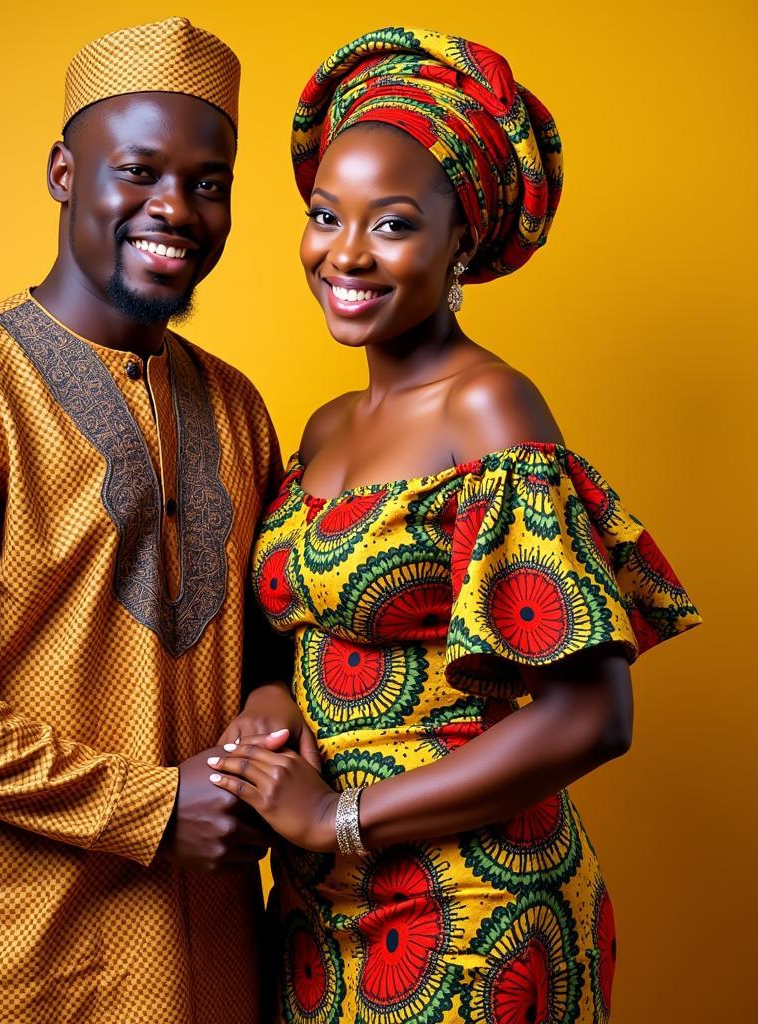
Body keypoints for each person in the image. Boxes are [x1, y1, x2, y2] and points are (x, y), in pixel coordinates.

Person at [205, 27, 701, 1023]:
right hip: (318, 906)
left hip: (473, 903)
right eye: (323, 215)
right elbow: (300, 632)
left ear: (460, 237)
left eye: (391, 224)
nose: (344, 253)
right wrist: (270, 706)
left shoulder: (492, 413)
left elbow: (591, 713)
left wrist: (336, 814)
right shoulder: (326, 426)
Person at [0, 17, 308, 1024]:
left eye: (209, 180)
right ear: (63, 170)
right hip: (16, 967)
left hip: (213, 957)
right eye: (136, 170)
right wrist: (155, 805)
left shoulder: (236, 405)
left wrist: (270, 711)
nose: (174, 208)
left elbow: (267, 631)